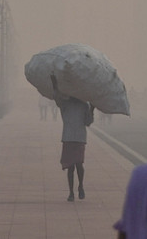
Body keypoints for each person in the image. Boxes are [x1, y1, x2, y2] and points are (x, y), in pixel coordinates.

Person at [51, 73, 94, 201]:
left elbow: (88, 122)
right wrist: (54, 84)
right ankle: (71, 192)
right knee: (70, 167)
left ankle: (80, 186)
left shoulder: (84, 105)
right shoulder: (65, 104)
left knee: (79, 164)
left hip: (80, 137)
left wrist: (92, 109)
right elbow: (56, 97)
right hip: (68, 137)